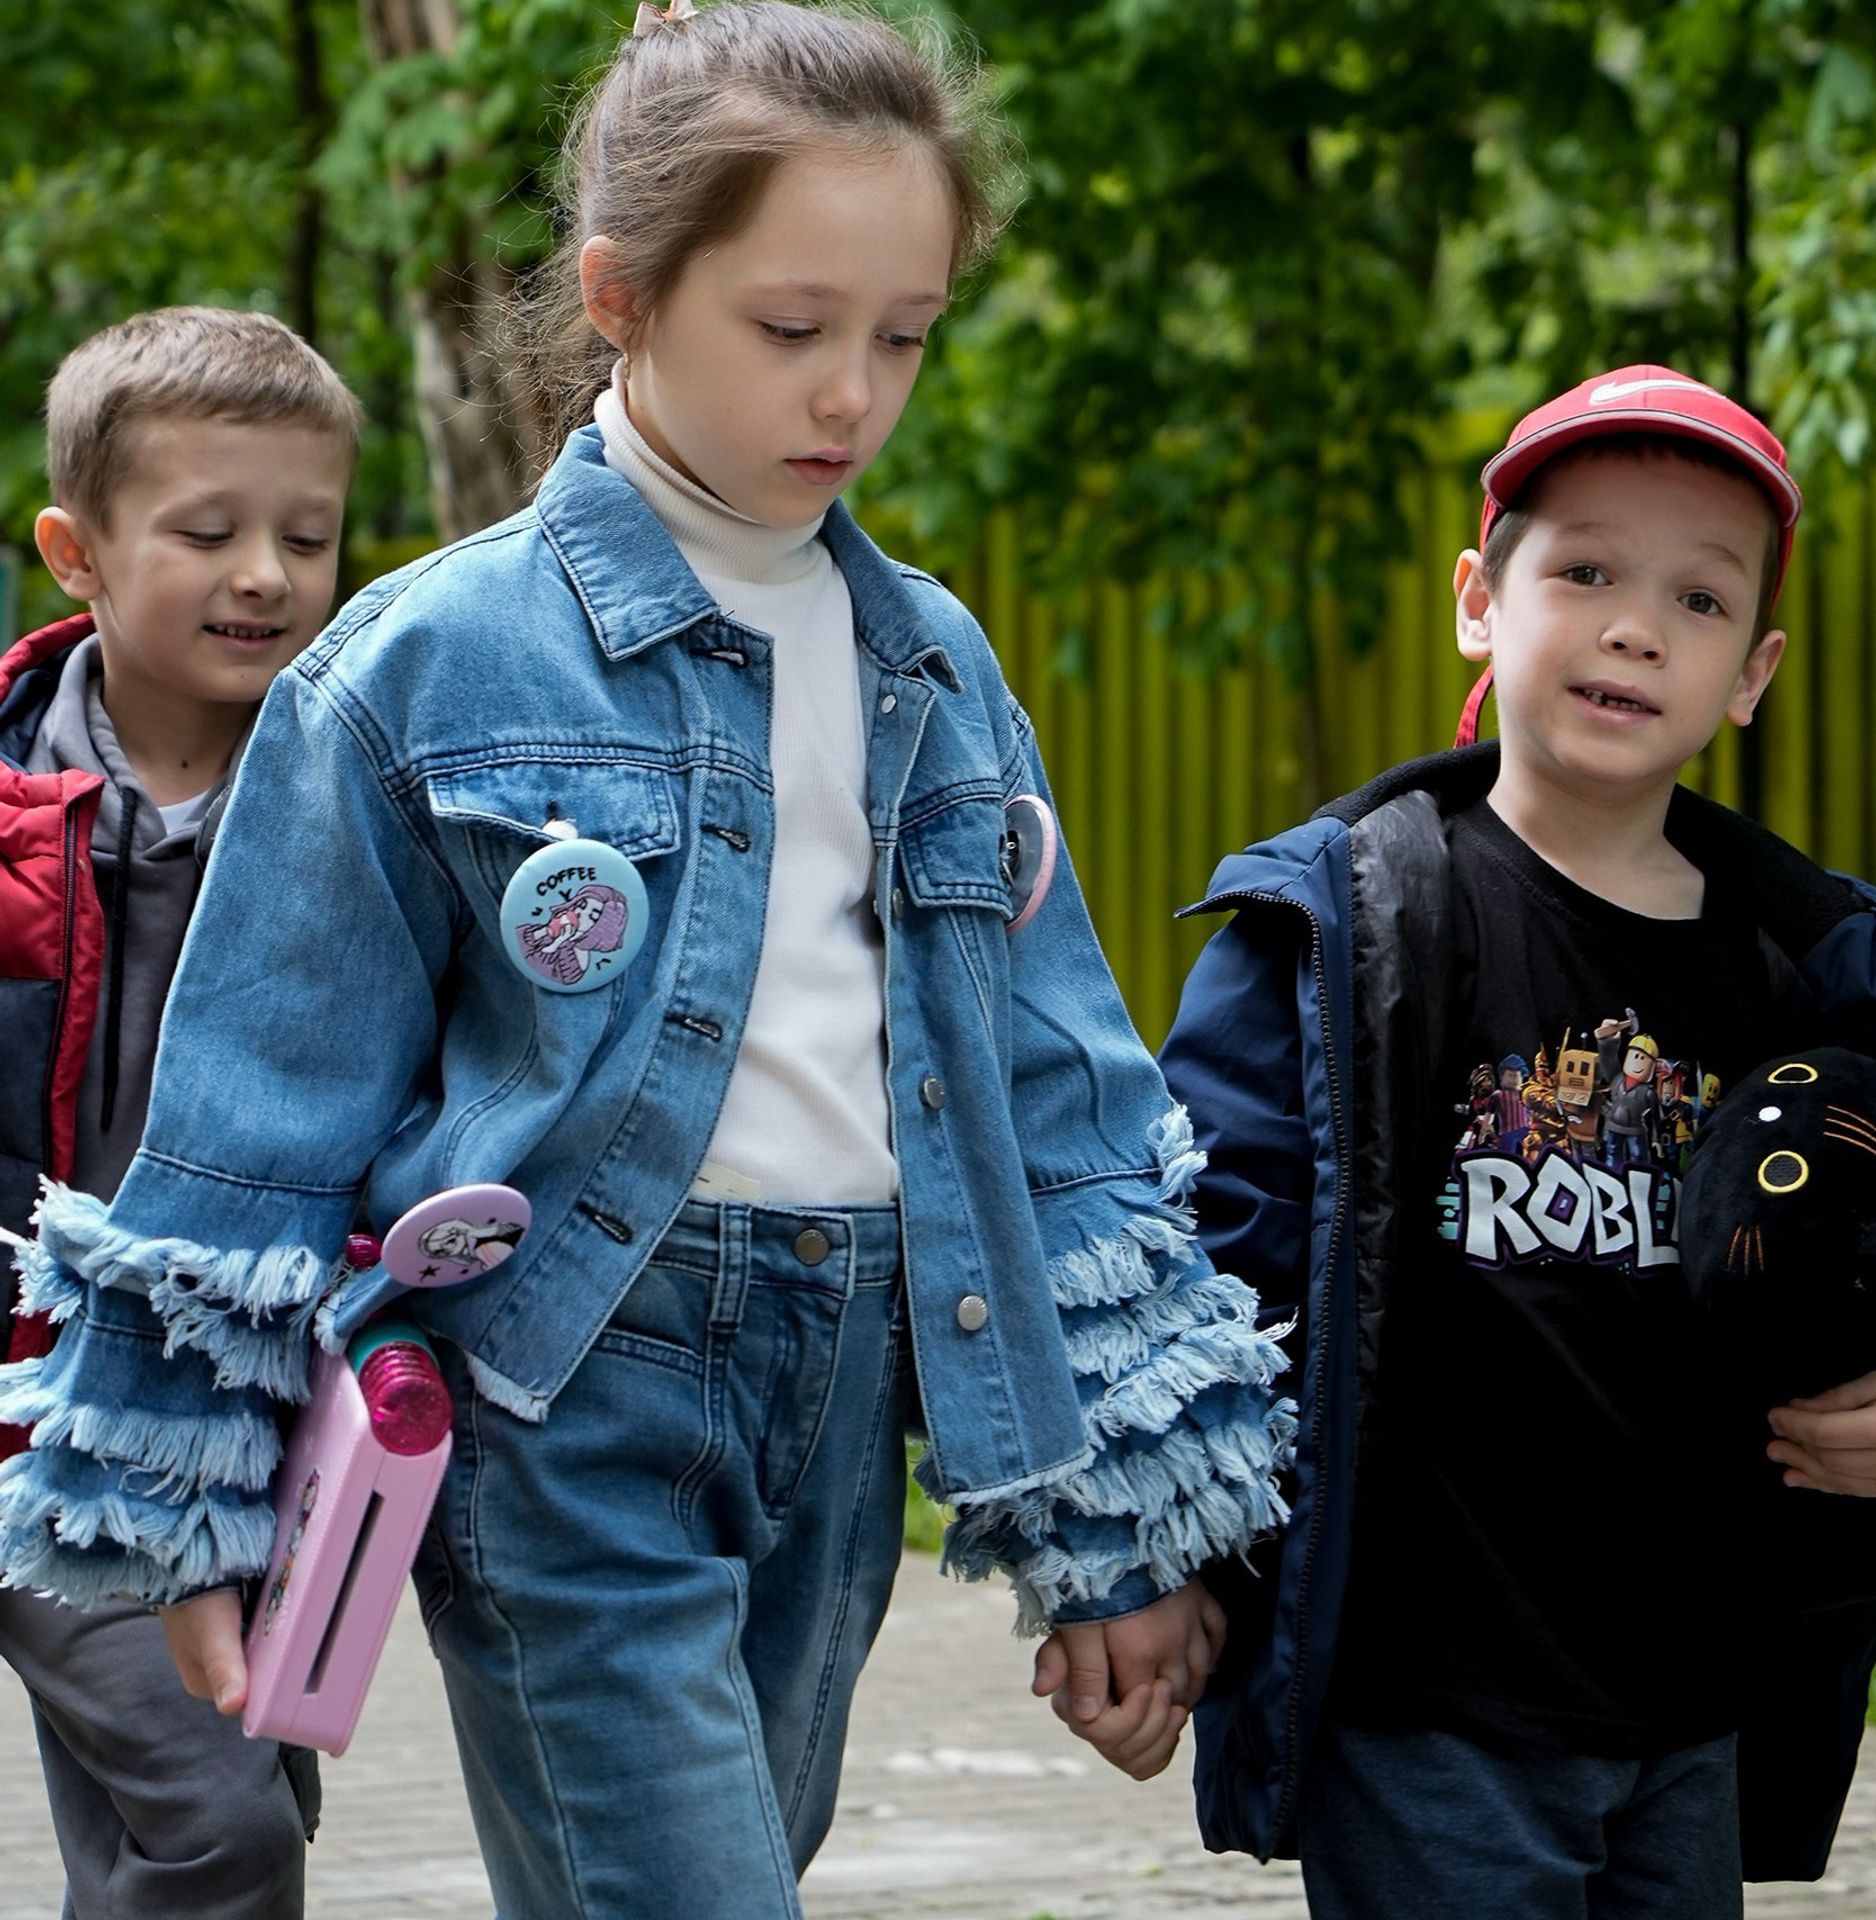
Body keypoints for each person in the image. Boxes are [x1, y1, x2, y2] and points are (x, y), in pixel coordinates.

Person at [0, 9, 1288, 1919]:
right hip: (559, 1397)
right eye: (791, 327)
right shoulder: (417, 666)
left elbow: (1064, 1103)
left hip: (852, 1399)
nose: (852, 391)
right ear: (621, 294)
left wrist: (1122, 1522)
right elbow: (256, 1118)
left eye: (905, 332)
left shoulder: (939, 669)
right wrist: (194, 1500)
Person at [1155, 367, 1876, 1916]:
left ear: (1755, 671)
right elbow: (1201, 1276)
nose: (1637, 625)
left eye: (1698, 600)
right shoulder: (1343, 932)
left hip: (1693, 1701)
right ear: (1478, 605)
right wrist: (1161, 1562)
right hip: (1431, 1699)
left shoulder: (1821, 978)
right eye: (1584, 571)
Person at [0, 305, 359, 1917]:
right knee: (224, 1827)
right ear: (75, 552)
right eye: (206, 531)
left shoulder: (355, 795)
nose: (265, 575)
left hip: (235, 1409)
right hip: (41, 1415)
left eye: (306, 534)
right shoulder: (13, 808)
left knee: (203, 1809)